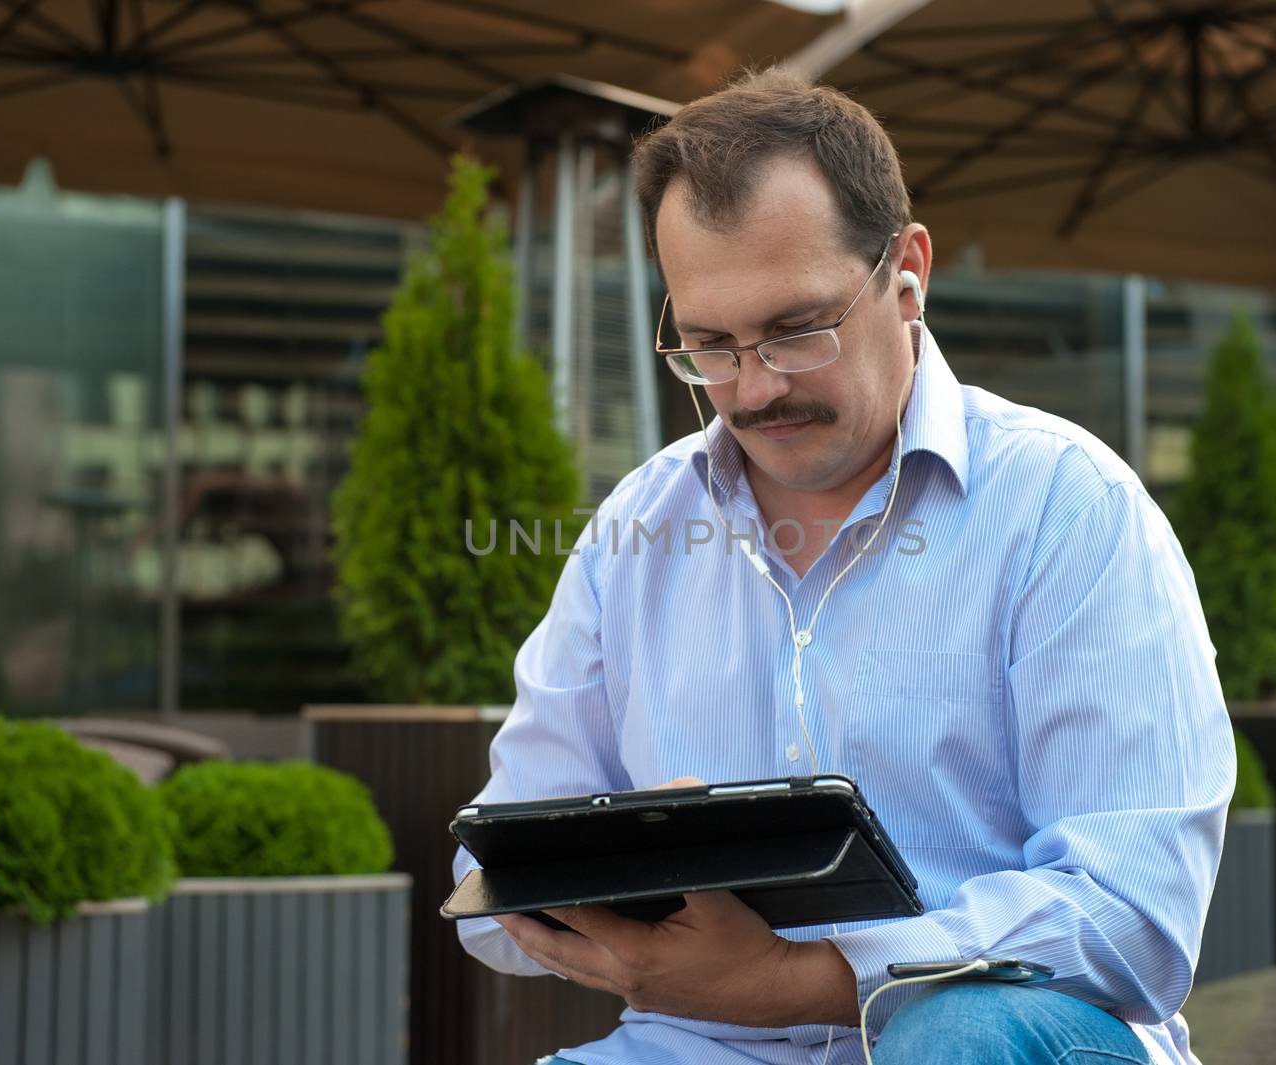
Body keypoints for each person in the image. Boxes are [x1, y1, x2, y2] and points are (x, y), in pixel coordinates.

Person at [453, 68, 1234, 1065]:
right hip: (699, 1047)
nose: (754, 388)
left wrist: (791, 984)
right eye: (709, 347)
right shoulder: (636, 529)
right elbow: (488, 894)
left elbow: (1135, 920)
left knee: (953, 1036)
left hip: (989, 1040)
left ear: (907, 274)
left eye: (796, 330)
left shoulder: (1064, 508)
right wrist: (625, 866)